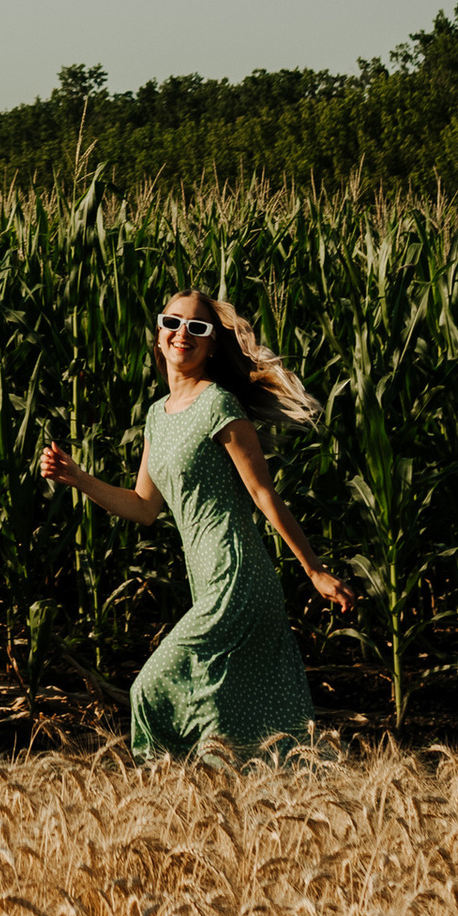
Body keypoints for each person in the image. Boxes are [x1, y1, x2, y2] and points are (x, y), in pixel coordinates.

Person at [41, 286, 352, 762]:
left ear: (211, 345)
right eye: (172, 322)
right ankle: (256, 789)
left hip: (235, 573)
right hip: (205, 580)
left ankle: (159, 781)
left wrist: (314, 571)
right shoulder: (157, 416)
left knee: (150, 687)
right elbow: (144, 506)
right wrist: (78, 478)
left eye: (197, 327)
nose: (182, 332)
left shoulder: (218, 405)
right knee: (224, 714)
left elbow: (263, 494)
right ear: (158, 335)